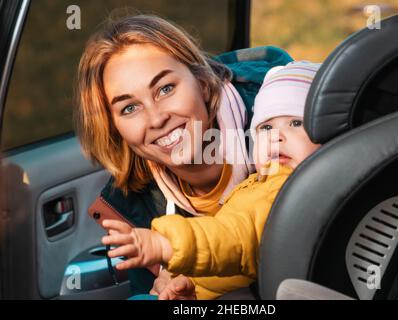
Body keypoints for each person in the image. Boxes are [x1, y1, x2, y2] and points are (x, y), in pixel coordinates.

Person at [75, 14, 294, 299]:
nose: (156, 119)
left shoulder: (286, 129)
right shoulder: (134, 202)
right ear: (114, 128)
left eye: (165, 89)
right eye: (129, 108)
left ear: (203, 83)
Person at [101, 61, 322, 299]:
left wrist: (166, 245)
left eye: (296, 123)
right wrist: (183, 280)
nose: (275, 137)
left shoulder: (286, 190)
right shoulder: (262, 183)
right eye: (266, 127)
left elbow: (236, 236)